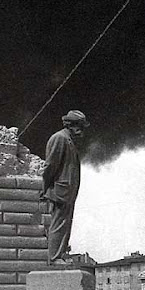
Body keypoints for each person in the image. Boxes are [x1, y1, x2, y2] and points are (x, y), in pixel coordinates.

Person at [41, 109, 89, 264]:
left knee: (65, 225)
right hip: (59, 191)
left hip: (67, 192)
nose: (81, 131)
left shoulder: (69, 140)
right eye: (79, 126)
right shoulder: (59, 138)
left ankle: (60, 254)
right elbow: (50, 166)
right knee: (58, 224)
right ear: (70, 125)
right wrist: (44, 187)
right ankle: (55, 258)